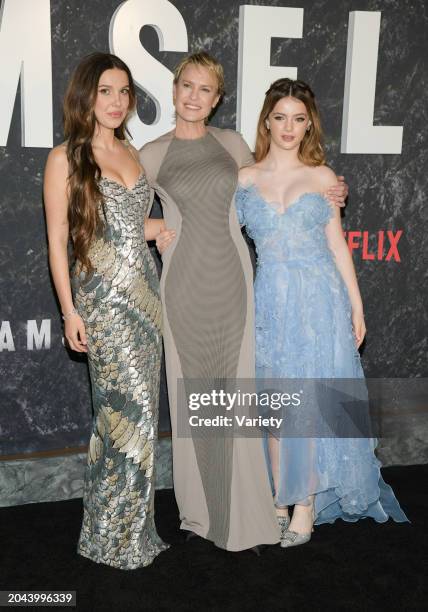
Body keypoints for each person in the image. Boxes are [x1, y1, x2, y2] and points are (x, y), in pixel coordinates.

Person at [142, 52, 348, 551]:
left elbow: (277, 181)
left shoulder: (232, 145)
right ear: (174, 91)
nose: (194, 96)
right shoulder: (148, 154)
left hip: (235, 281)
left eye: (205, 90)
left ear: (217, 100)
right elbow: (116, 214)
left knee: (236, 398)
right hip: (184, 284)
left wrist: (331, 190)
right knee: (194, 396)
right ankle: (201, 510)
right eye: (186, 86)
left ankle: (249, 509)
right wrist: (154, 229)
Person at [235, 78, 409, 548]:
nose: (288, 127)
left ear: (308, 124)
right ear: (266, 121)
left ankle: (305, 506)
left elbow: (337, 244)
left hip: (319, 301)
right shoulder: (244, 179)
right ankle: (276, 502)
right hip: (270, 299)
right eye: (280, 117)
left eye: (298, 118)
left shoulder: (324, 178)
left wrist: (356, 304)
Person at [44, 52, 168, 569]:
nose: (117, 103)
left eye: (124, 92)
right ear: (85, 97)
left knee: (142, 418)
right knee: (120, 415)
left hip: (145, 296)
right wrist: (70, 312)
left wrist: (156, 230)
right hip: (102, 302)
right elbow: (58, 243)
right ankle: (109, 536)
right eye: (105, 92)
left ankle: (131, 531)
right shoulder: (65, 158)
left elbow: (122, 229)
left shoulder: (133, 152)